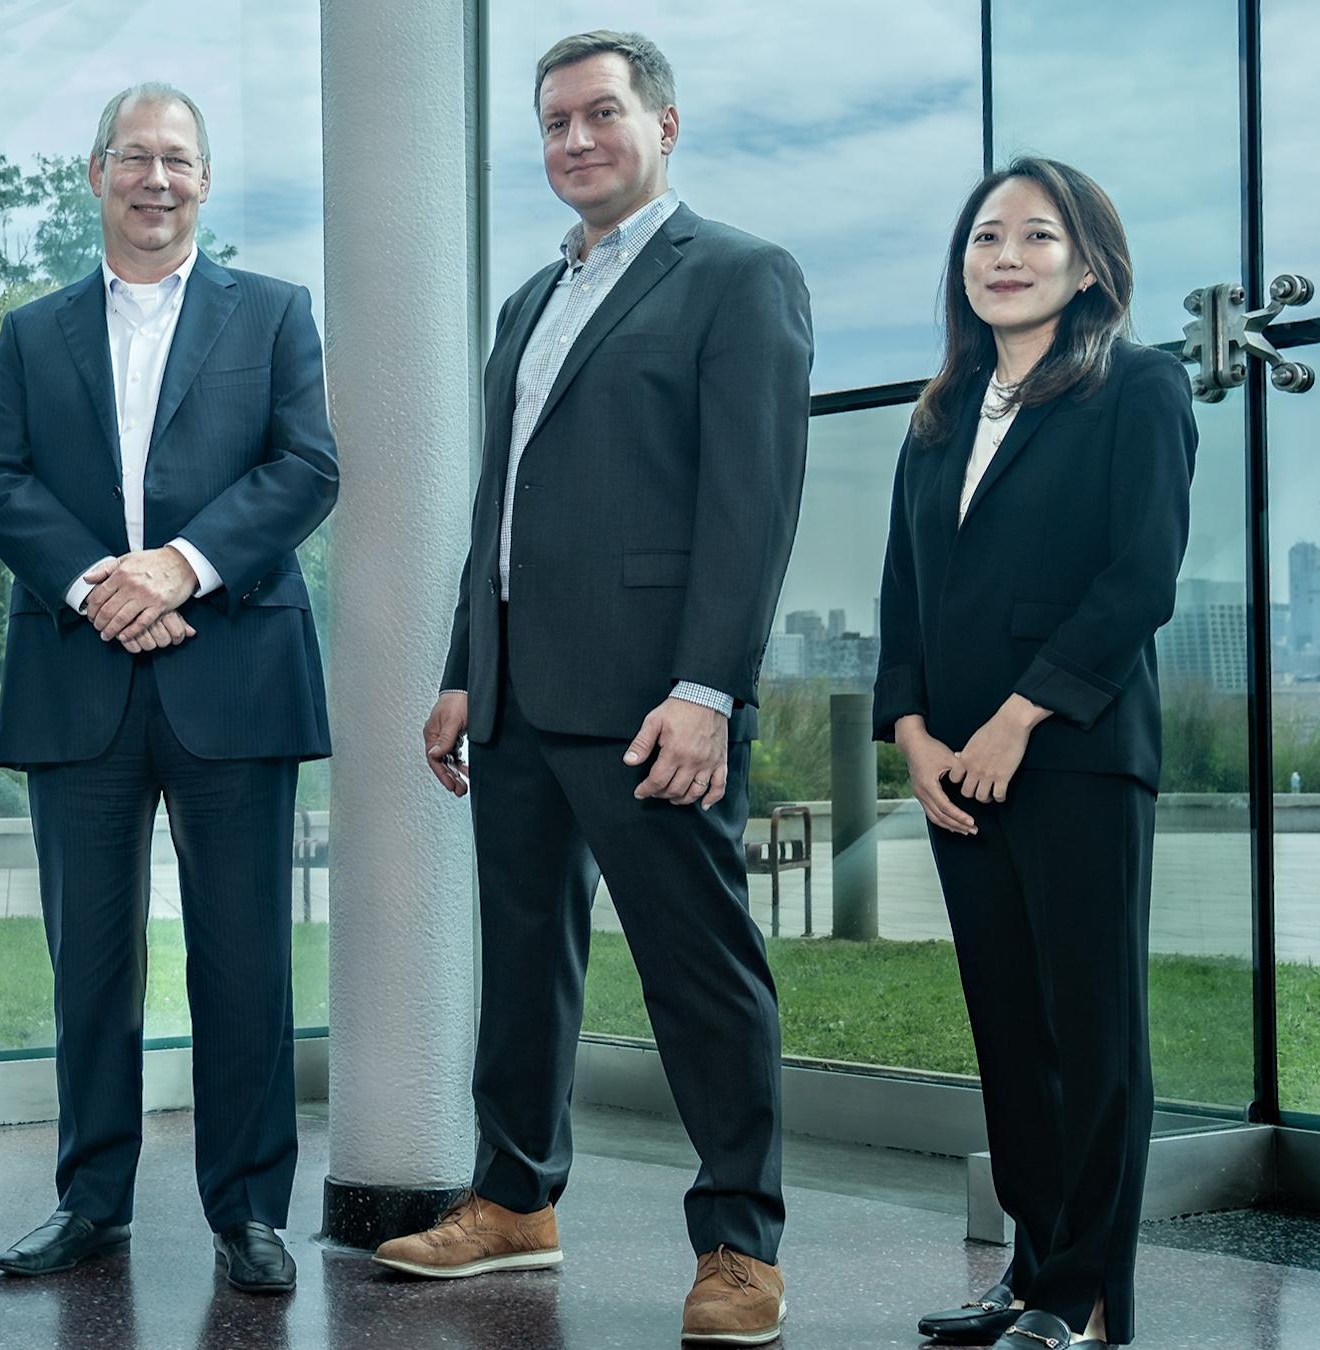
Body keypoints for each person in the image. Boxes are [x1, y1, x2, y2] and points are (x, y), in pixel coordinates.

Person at [377, 29, 810, 1346]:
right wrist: (466, 670)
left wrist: (706, 689)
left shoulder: (737, 275)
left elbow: (751, 505)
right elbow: (500, 510)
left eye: (601, 114)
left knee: (700, 973)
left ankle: (740, 1244)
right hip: (517, 697)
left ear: (662, 125)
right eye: (556, 122)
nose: (575, 140)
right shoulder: (529, 301)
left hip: (650, 705)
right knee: (523, 966)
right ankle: (515, 1200)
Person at [0, 81, 337, 1296]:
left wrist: (178, 567)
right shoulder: (32, 332)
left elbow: (306, 467)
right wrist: (100, 587)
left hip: (234, 671)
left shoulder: (273, 313)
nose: (156, 178)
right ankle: (91, 1199)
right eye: (134, 156)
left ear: (205, 181)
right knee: (89, 965)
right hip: (78, 677)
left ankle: (248, 1211)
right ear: (96, 175)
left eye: (178, 158)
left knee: (243, 962)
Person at [880, 158, 1192, 1350]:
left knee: (1090, 1033)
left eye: (1038, 235)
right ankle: (1030, 1271)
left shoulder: (1140, 386)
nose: (1005, 256)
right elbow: (904, 591)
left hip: (1075, 755)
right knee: (1010, 1030)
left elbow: (1139, 578)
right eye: (985, 236)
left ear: (1090, 265)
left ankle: (1087, 1293)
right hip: (954, 764)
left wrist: (1021, 718)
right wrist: (911, 731)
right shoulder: (938, 415)